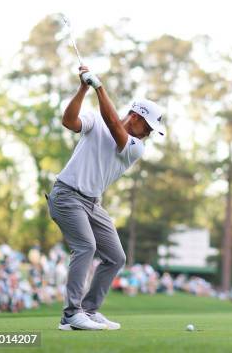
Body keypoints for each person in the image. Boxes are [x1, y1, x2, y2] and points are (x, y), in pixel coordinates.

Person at [47, 66, 165, 330]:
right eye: (148, 126)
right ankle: (71, 315)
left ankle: (88, 311)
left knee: (116, 257)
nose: (148, 133)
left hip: (92, 203)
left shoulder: (136, 147)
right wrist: (84, 88)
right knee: (86, 247)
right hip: (66, 195)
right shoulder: (95, 120)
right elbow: (69, 121)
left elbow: (113, 124)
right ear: (135, 117)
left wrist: (100, 87)